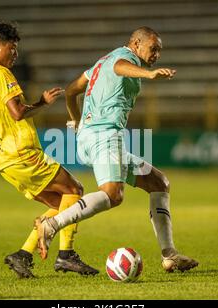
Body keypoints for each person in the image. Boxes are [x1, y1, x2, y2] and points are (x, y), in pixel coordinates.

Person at [35, 26, 198, 273]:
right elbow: (119, 67)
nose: (156, 55)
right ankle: (51, 224)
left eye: (159, 51)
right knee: (113, 194)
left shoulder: (100, 63)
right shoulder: (121, 59)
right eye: (153, 49)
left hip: (92, 137)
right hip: (104, 136)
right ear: (136, 44)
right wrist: (149, 74)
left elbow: (71, 91)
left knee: (158, 183)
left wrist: (76, 121)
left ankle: (169, 254)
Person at [0, 20, 98, 278]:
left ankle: (23, 255)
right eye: (12, 48)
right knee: (75, 191)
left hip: (4, 163)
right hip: (22, 154)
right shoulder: (0, 75)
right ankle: (66, 256)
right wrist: (42, 103)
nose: (16, 54)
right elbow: (18, 112)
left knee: (62, 206)